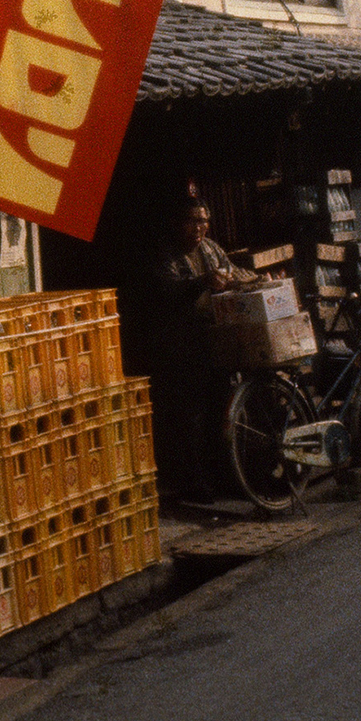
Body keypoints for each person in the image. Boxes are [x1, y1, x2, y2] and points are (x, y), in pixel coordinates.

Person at [151, 197, 251, 501]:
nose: (199, 228)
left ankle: (228, 478)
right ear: (176, 224)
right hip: (182, 347)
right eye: (192, 221)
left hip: (215, 343)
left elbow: (234, 273)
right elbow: (167, 292)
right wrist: (202, 282)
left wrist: (258, 281)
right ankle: (194, 483)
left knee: (222, 411)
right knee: (190, 418)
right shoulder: (164, 254)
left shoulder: (211, 248)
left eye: (203, 221)